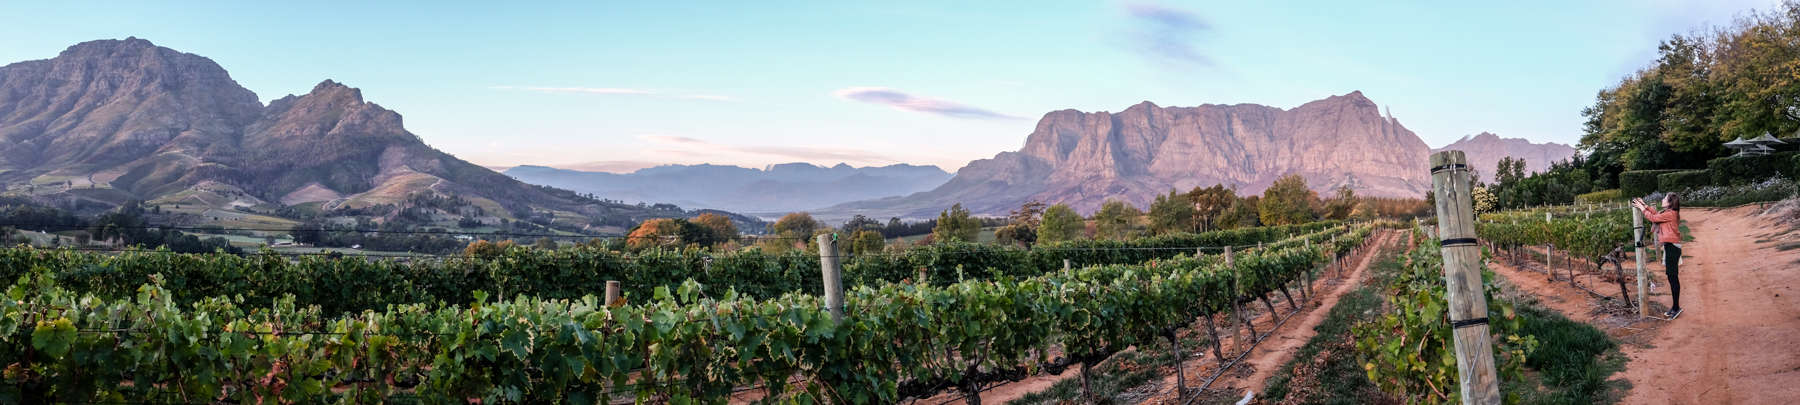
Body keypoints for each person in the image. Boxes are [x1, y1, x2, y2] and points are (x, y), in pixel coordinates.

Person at [1633, 194, 1683, 319]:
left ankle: (1676, 307)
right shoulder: (1668, 212)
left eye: (1665, 198)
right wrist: (1644, 205)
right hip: (1670, 247)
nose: (1662, 199)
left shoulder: (1670, 214)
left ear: (1670, 203)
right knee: (1672, 277)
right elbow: (1656, 215)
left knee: (1673, 277)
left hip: (1672, 248)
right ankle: (1675, 307)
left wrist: (1642, 208)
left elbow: (1653, 218)